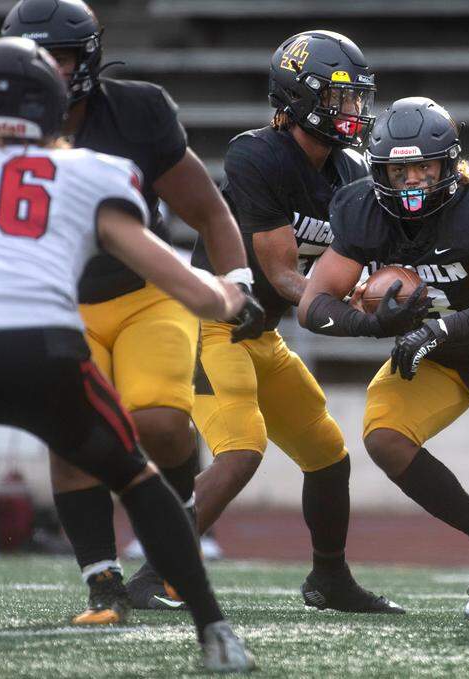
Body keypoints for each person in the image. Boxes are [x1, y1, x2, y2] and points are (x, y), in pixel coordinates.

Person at [0, 37, 258, 671]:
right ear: (52, 109)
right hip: (47, 358)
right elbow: (182, 282)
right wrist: (231, 300)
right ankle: (214, 630)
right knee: (134, 473)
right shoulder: (87, 171)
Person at [0, 0, 249, 620]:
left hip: (144, 291)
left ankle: (180, 520)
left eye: (56, 55)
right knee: (73, 432)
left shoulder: (135, 111)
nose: (45, 70)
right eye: (33, 56)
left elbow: (210, 209)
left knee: (161, 421)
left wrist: (238, 281)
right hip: (58, 298)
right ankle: (103, 583)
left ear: (86, 58)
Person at [299, 96, 469, 590]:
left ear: (449, 166)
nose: (413, 181)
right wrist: (370, 325)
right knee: (385, 435)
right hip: (431, 359)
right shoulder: (362, 212)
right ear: (380, 174)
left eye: (425, 168)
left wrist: (439, 329)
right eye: (400, 172)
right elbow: (312, 304)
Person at [188, 29, 401, 613]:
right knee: (240, 449)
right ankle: (156, 574)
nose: (353, 111)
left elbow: (354, 268)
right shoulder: (257, 153)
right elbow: (281, 273)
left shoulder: (350, 171)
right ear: (300, 98)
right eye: (340, 99)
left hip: (262, 333)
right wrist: (350, 317)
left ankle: (329, 579)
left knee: (327, 453)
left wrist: (373, 292)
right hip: (212, 326)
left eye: (358, 98)